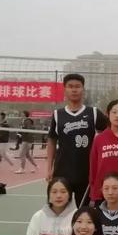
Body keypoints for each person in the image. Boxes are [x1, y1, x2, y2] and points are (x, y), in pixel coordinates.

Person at [47, 73, 108, 207]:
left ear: (83, 90)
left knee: (85, 212)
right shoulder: (58, 114)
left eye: (77, 86)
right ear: (65, 90)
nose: (74, 90)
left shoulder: (93, 113)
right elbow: (51, 141)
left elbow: (112, 129)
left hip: (86, 173)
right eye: (70, 86)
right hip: (62, 172)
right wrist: (49, 168)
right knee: (59, 210)